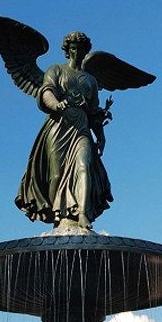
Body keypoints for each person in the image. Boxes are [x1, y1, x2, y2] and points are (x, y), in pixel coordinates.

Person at [16, 31, 112, 230]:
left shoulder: (90, 81)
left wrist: (101, 136)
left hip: (81, 128)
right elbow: (46, 91)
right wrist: (56, 105)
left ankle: (83, 214)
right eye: (73, 49)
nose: (77, 52)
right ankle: (57, 216)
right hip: (58, 127)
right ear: (68, 51)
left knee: (84, 167)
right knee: (56, 176)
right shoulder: (56, 70)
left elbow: (94, 112)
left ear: (85, 52)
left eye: (81, 49)